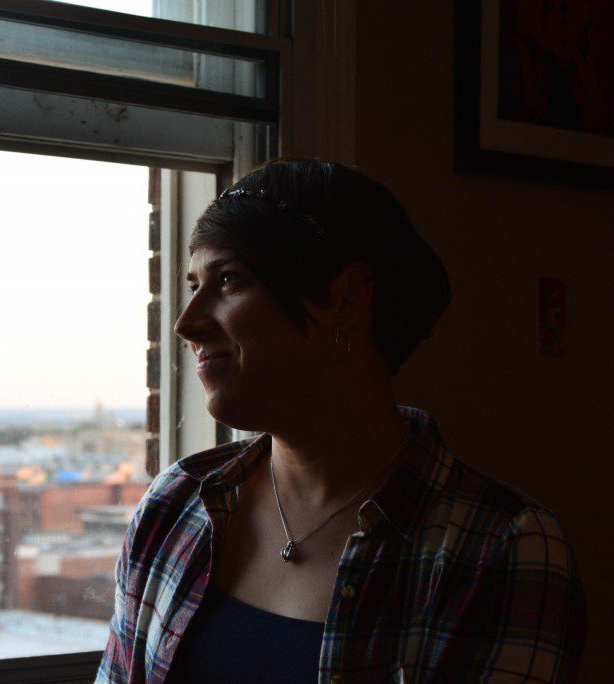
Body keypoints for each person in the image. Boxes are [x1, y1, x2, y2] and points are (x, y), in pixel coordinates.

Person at [95, 159, 586, 683]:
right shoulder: (175, 505)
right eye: (194, 283)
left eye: (229, 280)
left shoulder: (501, 551)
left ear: (349, 297)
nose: (186, 322)